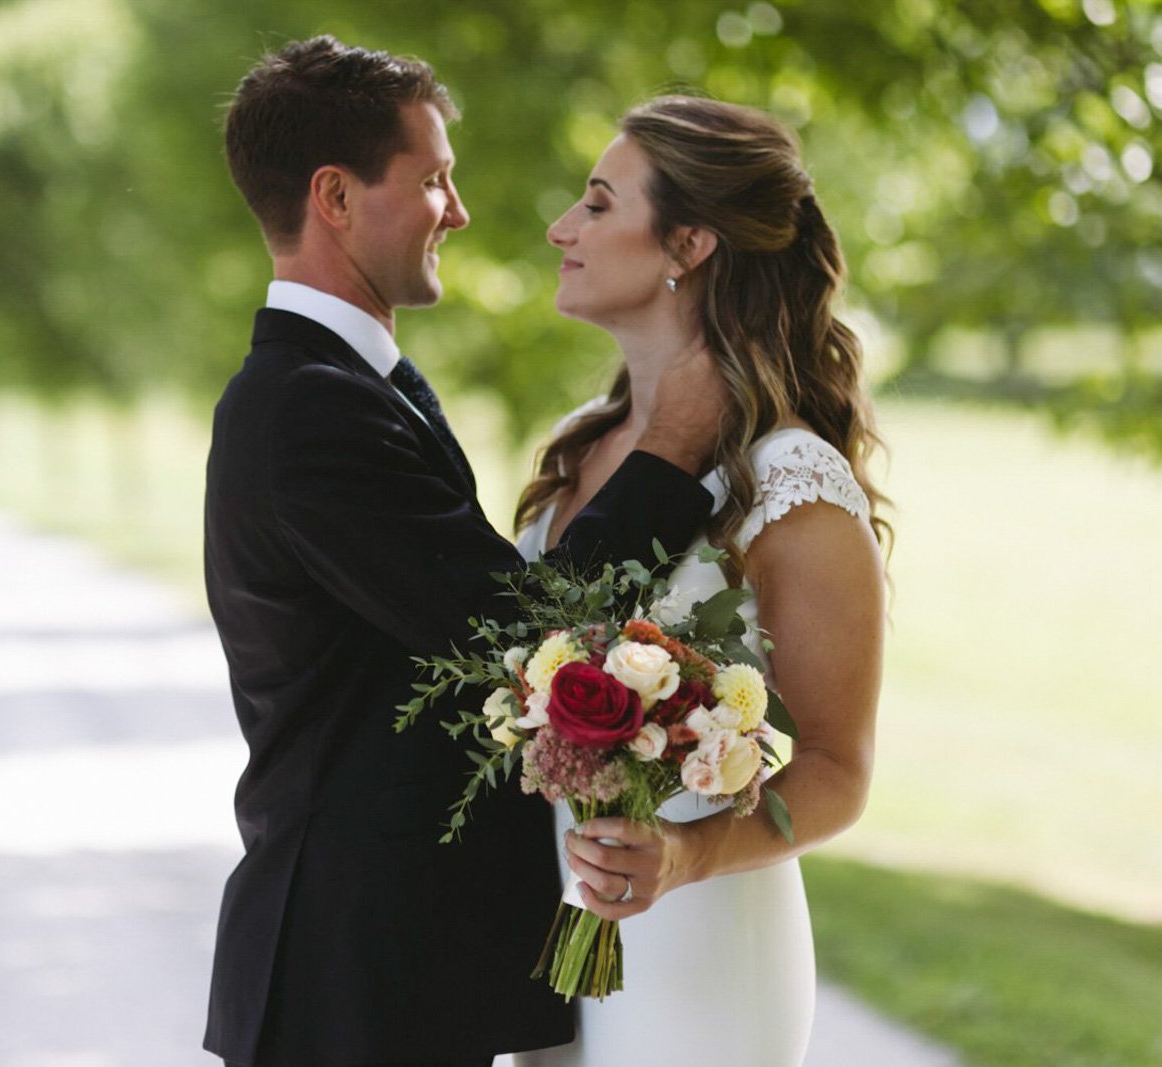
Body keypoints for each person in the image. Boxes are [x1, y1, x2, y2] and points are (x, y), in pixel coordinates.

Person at [203, 38, 726, 1067]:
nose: (460, 209)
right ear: (335, 197)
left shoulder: (350, 385)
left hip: (402, 971)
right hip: (348, 987)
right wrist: (671, 446)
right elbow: (522, 635)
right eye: (434, 179)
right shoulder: (307, 410)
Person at [510, 96, 890, 1066]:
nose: (562, 227)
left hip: (702, 944)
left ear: (688, 242)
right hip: (555, 940)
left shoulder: (789, 480)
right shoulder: (581, 450)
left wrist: (687, 852)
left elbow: (838, 767)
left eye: (597, 204)